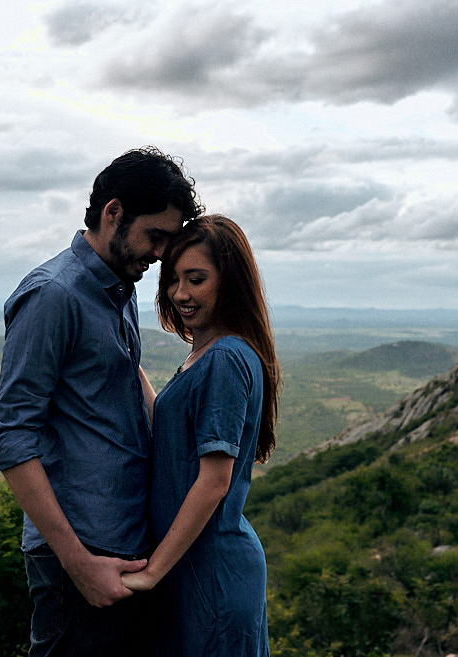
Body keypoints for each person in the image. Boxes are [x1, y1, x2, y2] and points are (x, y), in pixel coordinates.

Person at [0, 147, 203, 656]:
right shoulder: (53, 294)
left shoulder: (117, 287)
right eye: (155, 236)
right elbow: (11, 436)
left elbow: (121, 372)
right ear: (113, 212)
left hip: (127, 545)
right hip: (80, 557)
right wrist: (78, 564)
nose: (161, 254)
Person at [121, 214, 281, 656]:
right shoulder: (206, 353)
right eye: (173, 280)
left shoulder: (225, 358)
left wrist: (152, 572)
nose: (180, 294)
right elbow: (170, 428)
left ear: (230, 282)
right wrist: (124, 362)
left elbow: (214, 481)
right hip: (194, 569)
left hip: (214, 575)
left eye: (196, 279)